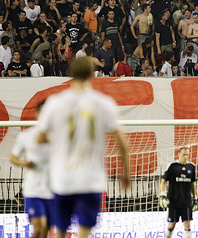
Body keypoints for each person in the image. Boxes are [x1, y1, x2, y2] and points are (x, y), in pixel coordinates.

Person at [37, 57, 130, 238]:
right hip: (90, 179)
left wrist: (58, 140)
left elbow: (40, 138)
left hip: (62, 178)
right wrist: (125, 173)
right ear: (91, 74)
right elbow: (122, 145)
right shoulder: (104, 103)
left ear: (70, 73)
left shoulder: (54, 103)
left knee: (60, 231)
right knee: (84, 233)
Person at [10, 100, 52, 238]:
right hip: (33, 190)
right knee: (38, 228)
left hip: (53, 190)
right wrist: (24, 163)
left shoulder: (61, 136)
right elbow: (13, 157)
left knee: (45, 229)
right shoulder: (26, 136)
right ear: (37, 114)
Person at [160, 146, 198, 238]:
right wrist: (162, 194)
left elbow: (193, 184)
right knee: (171, 225)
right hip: (174, 201)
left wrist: (195, 198)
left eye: (187, 155)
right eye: (183, 154)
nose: (185, 156)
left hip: (186, 201)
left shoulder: (191, 167)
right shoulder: (172, 166)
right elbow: (163, 180)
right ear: (178, 154)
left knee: (187, 225)